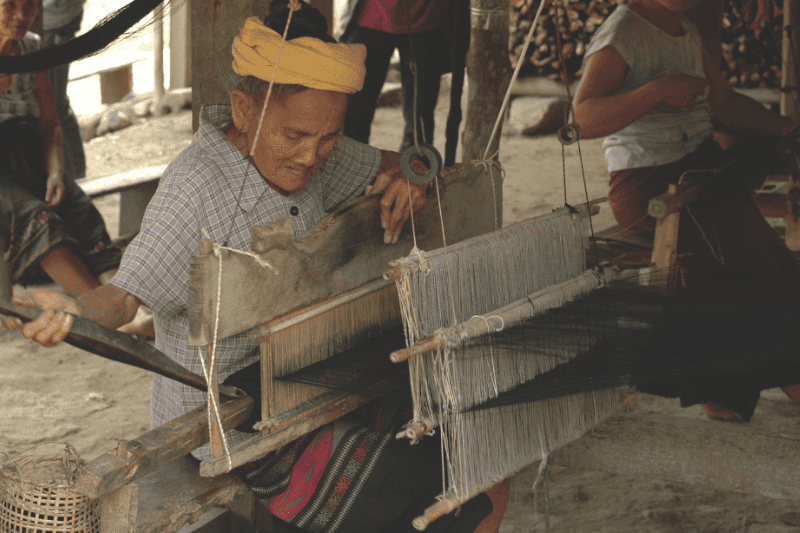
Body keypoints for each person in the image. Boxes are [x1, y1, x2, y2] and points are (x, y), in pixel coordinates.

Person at [6, 1, 507, 531]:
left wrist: (414, 172)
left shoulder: (317, 157)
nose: (313, 156)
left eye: (329, 137)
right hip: (234, 421)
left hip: (307, 385)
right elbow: (125, 297)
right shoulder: (195, 187)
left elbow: (406, 160)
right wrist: (72, 314)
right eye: (295, 137)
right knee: (422, 494)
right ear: (244, 110)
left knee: (473, 448)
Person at [573, 0, 800, 423]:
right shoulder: (624, 33)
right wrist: (655, 92)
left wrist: (787, 128)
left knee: (765, 265)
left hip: (701, 171)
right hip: (649, 187)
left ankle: (724, 397)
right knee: (758, 272)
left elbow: (726, 103)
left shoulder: (687, 32)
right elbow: (580, 118)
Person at [0, 0, 122, 298]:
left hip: (27, 152)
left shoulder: (33, 48)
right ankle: (105, 309)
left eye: (29, 6)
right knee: (36, 217)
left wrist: (56, 172)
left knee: (80, 211)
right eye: (9, 5)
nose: (21, 15)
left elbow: (49, 123)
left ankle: (126, 304)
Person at [338, 0, 448, 151]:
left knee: (420, 116)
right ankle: (352, 166)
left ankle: (413, 169)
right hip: (369, 16)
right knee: (354, 110)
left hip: (426, 18)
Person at [41, 0, 86, 186]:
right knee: (56, 105)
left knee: (54, 105)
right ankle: (76, 180)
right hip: (52, 18)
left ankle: (76, 182)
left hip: (52, 21)